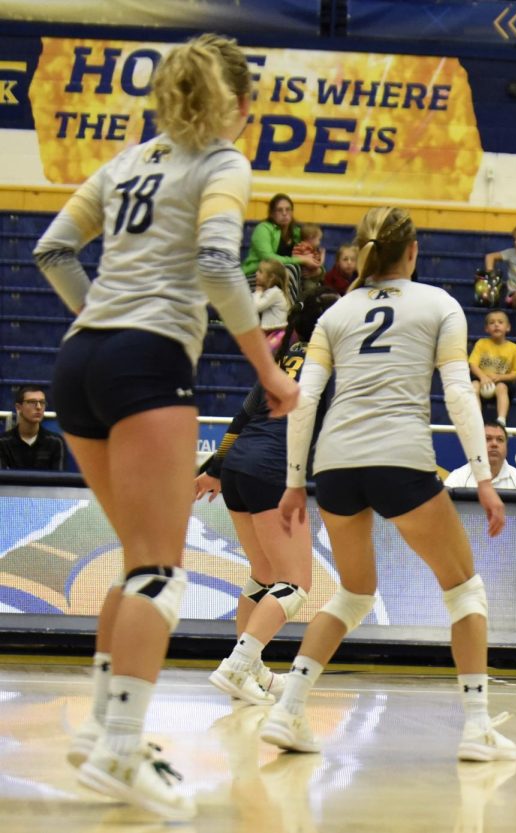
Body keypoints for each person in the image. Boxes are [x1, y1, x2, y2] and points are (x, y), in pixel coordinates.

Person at [32, 34, 299, 820]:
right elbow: (219, 266)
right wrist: (269, 369)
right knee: (161, 572)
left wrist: (100, 318)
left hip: (79, 360)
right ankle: (120, 746)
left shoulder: (125, 163)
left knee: (133, 565)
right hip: (146, 361)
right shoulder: (221, 162)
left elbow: (52, 251)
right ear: (238, 104)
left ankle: (101, 733)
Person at [260, 206, 516, 763]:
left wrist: (294, 482)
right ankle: (476, 729)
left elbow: (303, 399)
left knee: (353, 594)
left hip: (335, 463)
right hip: (399, 456)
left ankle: (287, 711)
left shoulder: (336, 312)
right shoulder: (439, 304)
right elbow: (458, 393)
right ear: (413, 251)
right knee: (464, 590)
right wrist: (484, 476)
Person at [195, 290, 338, 706]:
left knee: (262, 574)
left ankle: (251, 669)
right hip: (274, 469)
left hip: (239, 467)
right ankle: (237, 666)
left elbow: (243, 416)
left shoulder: (287, 355)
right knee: (294, 584)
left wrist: (214, 469)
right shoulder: (334, 363)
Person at [241, 193, 319, 299]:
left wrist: (317, 270)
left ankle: (304, 311)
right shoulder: (263, 229)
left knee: (314, 284)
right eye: (279, 210)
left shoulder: (297, 232)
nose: (284, 213)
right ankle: (289, 310)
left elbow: (312, 256)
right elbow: (268, 258)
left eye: (288, 210)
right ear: (272, 213)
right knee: (290, 269)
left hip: (283, 279)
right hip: (256, 276)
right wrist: (300, 260)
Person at [468, 310, 516, 428]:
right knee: (474, 386)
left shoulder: (514, 348)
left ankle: (501, 420)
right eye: (491, 322)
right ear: (486, 329)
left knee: (501, 387)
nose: (496, 325)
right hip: (482, 380)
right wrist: (482, 377)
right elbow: (472, 364)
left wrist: (500, 377)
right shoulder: (481, 343)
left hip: (501, 381)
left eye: (500, 322)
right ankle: (477, 420)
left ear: (508, 327)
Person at [444, 421, 516, 490]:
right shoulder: (458, 478)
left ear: (506, 447)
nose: (494, 444)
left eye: (500, 440)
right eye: (487, 439)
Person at [0, 385, 65, 470]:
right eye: (32, 402)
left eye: (42, 402)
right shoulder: (3, 442)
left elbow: (59, 480)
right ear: (18, 407)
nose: (38, 407)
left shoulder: (56, 442)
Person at [253, 258, 291, 347]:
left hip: (276, 333)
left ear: (271, 277)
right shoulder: (271, 292)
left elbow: (256, 307)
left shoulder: (274, 292)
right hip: (270, 332)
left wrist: (258, 292)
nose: (256, 274)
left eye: (260, 272)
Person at [294, 222, 326, 294]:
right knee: (311, 291)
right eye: (319, 239)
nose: (319, 242)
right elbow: (316, 265)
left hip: (310, 277)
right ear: (311, 238)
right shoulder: (305, 249)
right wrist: (323, 255)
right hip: (306, 279)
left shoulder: (305, 248)